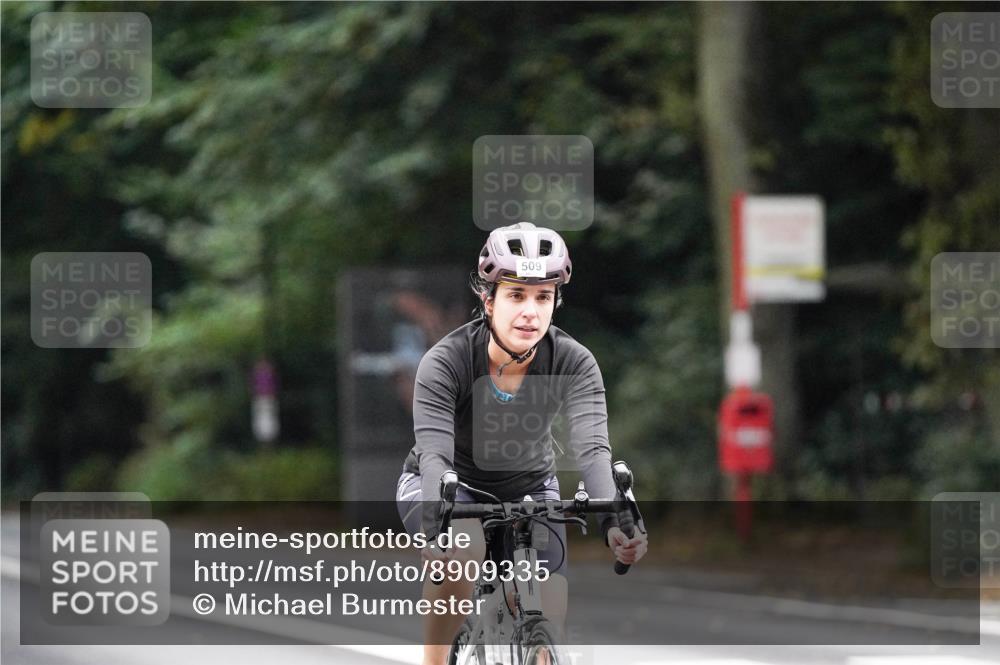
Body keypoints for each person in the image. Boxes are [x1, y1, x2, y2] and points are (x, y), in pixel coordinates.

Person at [396, 222, 648, 665]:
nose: (530, 312)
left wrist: (615, 519)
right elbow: (434, 453)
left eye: (543, 297)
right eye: (516, 295)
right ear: (488, 298)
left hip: (530, 486)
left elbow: (593, 452)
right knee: (465, 551)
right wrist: (437, 525)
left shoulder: (574, 361)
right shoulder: (447, 361)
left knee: (548, 611)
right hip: (449, 485)